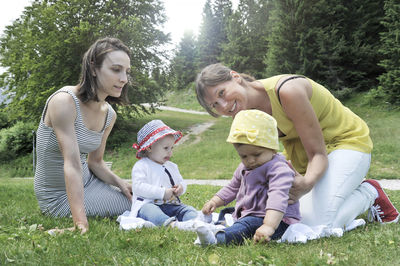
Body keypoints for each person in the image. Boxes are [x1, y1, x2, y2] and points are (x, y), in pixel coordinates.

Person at [195, 63, 399, 229]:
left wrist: (307, 183)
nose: (223, 106)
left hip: (345, 144)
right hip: (304, 157)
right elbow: (260, 160)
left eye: (221, 93)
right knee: (291, 219)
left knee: (318, 223)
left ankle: (370, 192)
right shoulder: (245, 116)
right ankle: (339, 189)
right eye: (214, 105)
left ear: (235, 76)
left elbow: (317, 153)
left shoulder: (287, 91)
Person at [34, 37, 133, 234]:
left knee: (137, 196)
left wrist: (121, 184)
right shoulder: (64, 102)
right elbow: (71, 164)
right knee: (136, 205)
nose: (124, 79)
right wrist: (81, 224)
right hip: (57, 195)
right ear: (94, 68)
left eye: (127, 72)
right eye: (116, 69)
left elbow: (95, 163)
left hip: (88, 182)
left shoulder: (109, 115)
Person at [194, 109, 300, 245]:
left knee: (248, 225)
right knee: (231, 214)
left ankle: (217, 238)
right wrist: (215, 201)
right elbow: (233, 187)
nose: (250, 160)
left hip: (277, 221)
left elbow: (277, 198)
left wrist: (268, 226)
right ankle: (219, 228)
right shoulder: (245, 167)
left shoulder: (279, 169)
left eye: (256, 155)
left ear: (272, 148)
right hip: (252, 215)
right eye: (244, 156)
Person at [130, 119, 199, 230]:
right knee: (150, 211)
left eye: (171, 148)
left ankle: (195, 221)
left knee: (187, 209)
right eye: (166, 148)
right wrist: (162, 193)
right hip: (148, 204)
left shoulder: (171, 166)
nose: (170, 152)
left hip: (171, 205)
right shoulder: (142, 166)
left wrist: (180, 188)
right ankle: (171, 225)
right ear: (149, 147)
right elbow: (138, 187)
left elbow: (181, 181)